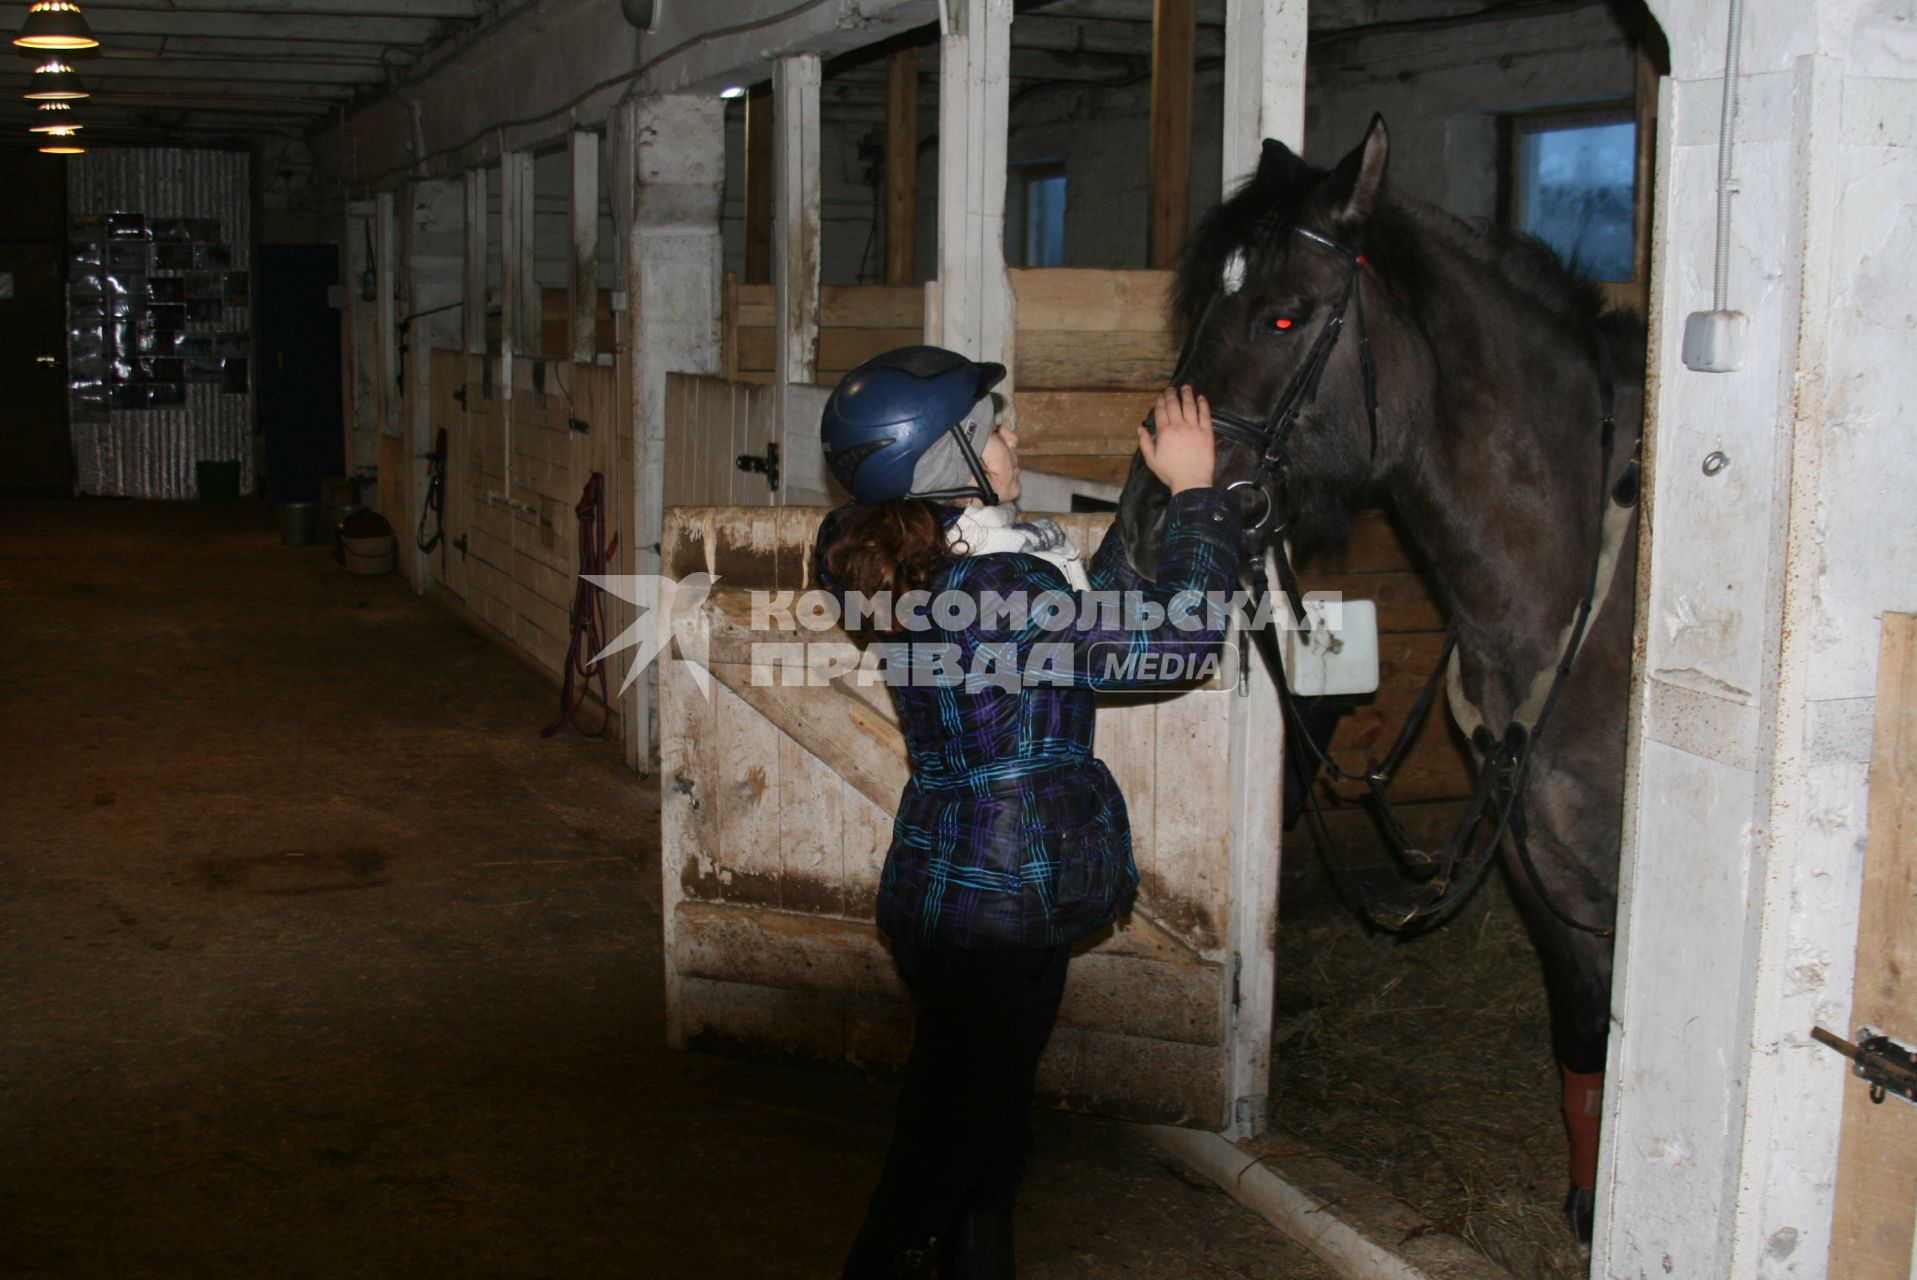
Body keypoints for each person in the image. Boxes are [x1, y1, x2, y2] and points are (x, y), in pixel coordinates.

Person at [816, 346, 1241, 1279]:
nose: (1010, 437)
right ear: (946, 462)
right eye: (990, 429)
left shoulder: (927, 562)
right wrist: (1204, 497)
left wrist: (1151, 500)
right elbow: (1177, 641)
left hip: (953, 884)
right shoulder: (1002, 589)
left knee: (987, 1125)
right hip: (1004, 901)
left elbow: (1091, 617)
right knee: (943, 1149)